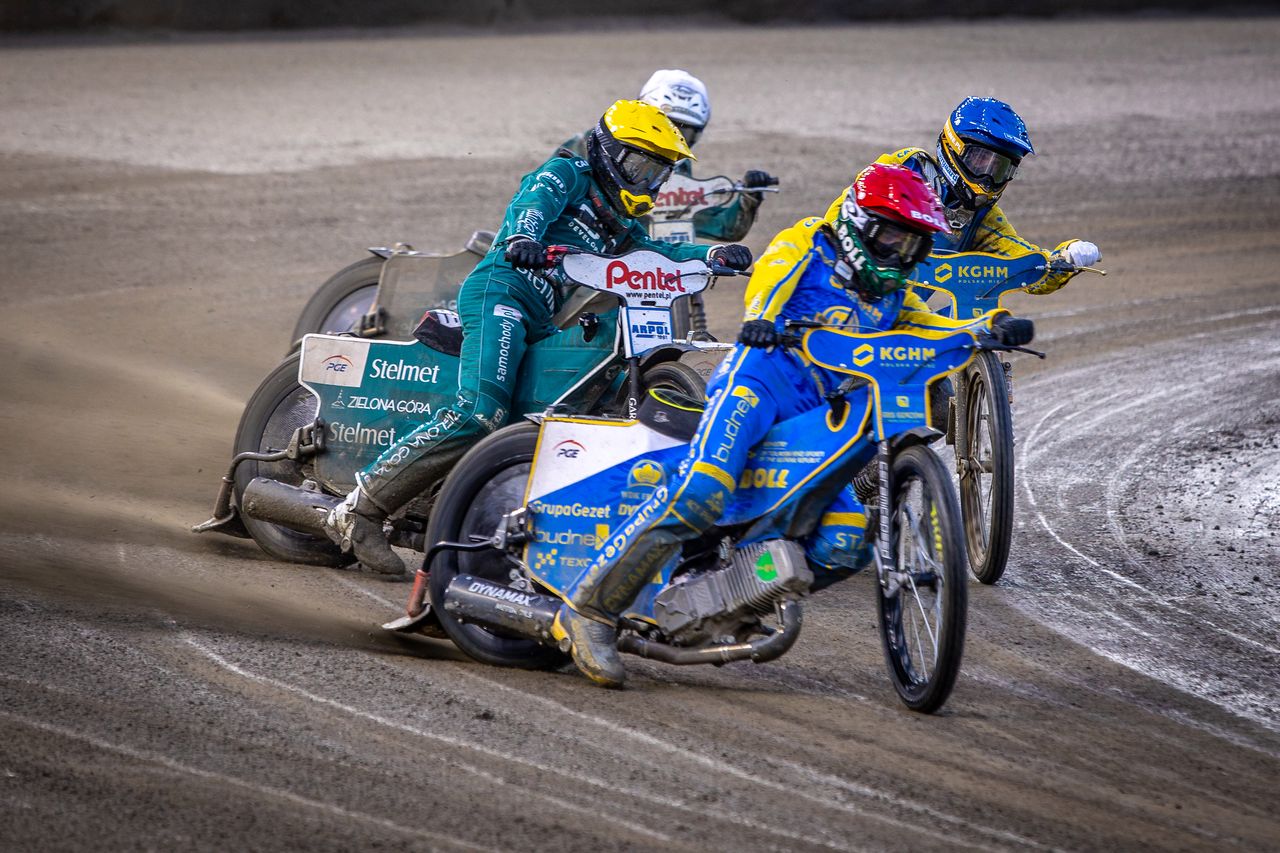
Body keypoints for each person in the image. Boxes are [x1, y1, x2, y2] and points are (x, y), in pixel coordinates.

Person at [551, 163, 1035, 687]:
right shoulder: (811, 242)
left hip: (814, 417)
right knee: (701, 494)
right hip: (756, 385)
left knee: (847, 540)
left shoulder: (891, 296)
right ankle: (589, 611)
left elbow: (936, 325)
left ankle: (728, 599)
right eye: (892, 235)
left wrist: (987, 329)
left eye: (914, 242)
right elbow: (773, 273)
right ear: (858, 222)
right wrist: (761, 317)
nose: (901, 252)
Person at [322, 99, 754, 577]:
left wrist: (712, 254)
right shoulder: (568, 174)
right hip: (500, 292)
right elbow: (532, 202)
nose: (648, 181)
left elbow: (659, 250)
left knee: (560, 409)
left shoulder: (621, 222)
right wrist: (523, 238)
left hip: (543, 317)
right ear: (610, 152)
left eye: (658, 172)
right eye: (640, 165)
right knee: (481, 412)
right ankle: (358, 512)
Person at [859, 96, 1101, 293]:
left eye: (1000, 168)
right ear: (953, 146)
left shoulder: (981, 218)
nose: (987, 177)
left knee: (985, 331)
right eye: (980, 160)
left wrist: (1066, 257)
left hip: (907, 319)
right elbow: (842, 217)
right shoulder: (906, 168)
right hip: (847, 298)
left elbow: (1024, 265)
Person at [562, 70, 774, 242]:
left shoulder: (674, 166)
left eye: (683, 131)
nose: (671, 137)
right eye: (665, 123)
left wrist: (748, 199)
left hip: (640, 248)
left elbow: (715, 225)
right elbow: (542, 192)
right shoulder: (589, 143)